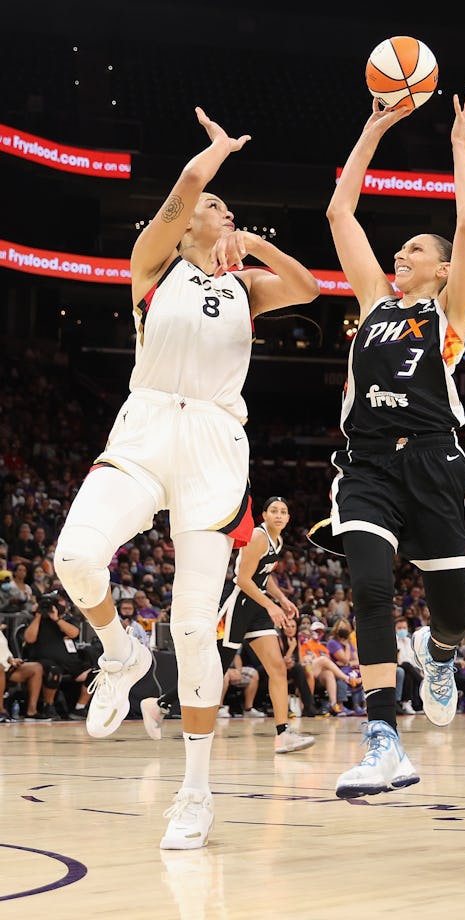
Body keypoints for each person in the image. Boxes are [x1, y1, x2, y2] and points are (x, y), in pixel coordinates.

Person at [52, 107, 319, 850]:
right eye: (213, 207)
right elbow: (184, 190)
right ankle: (118, 655)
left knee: (195, 626)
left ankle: (195, 794)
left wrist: (257, 242)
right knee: (74, 557)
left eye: (226, 207)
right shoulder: (154, 262)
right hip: (144, 429)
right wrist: (214, 155)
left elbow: (308, 291)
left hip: (214, 440)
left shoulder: (245, 287)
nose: (219, 209)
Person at [309, 86, 465, 799]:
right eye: (400, 248)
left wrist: (458, 147)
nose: (400, 254)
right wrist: (372, 127)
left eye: (415, 249)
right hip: (368, 464)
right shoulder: (374, 304)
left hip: (435, 459)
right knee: (371, 588)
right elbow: (338, 210)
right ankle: (383, 739)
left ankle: (438, 656)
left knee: (454, 609)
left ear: (440, 271)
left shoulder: (448, 314)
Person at [141, 497, 315, 754]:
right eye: (274, 511)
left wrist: (282, 599)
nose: (279, 515)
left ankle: (283, 734)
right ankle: (159, 704)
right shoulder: (258, 536)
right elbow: (243, 580)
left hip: (257, 606)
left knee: (277, 667)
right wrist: (270, 605)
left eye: (284, 511)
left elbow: (263, 578)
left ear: (288, 517)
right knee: (215, 668)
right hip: (238, 604)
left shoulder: (277, 541)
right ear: (264, 515)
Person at [0, 623, 46, 721]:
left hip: (7, 666)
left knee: (36, 668)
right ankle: (1, 711)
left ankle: (31, 711)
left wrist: (12, 660)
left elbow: (4, 651)